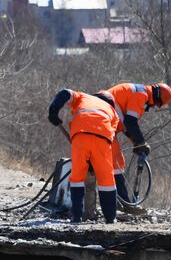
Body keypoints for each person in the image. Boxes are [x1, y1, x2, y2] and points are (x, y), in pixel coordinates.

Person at [48, 88, 121, 224]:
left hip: (80, 135)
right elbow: (111, 136)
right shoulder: (113, 113)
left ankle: (76, 217)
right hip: (102, 138)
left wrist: (53, 110)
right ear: (110, 103)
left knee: (77, 177)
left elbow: (65, 93)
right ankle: (110, 219)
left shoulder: (84, 97)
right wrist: (95, 161)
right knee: (107, 180)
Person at [101, 82, 171, 204]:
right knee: (116, 162)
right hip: (103, 121)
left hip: (101, 120)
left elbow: (124, 124)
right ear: (157, 99)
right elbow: (130, 122)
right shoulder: (141, 95)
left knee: (101, 163)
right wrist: (141, 142)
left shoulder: (138, 92)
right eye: (157, 104)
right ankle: (123, 202)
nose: (154, 107)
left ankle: (118, 202)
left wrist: (136, 142)